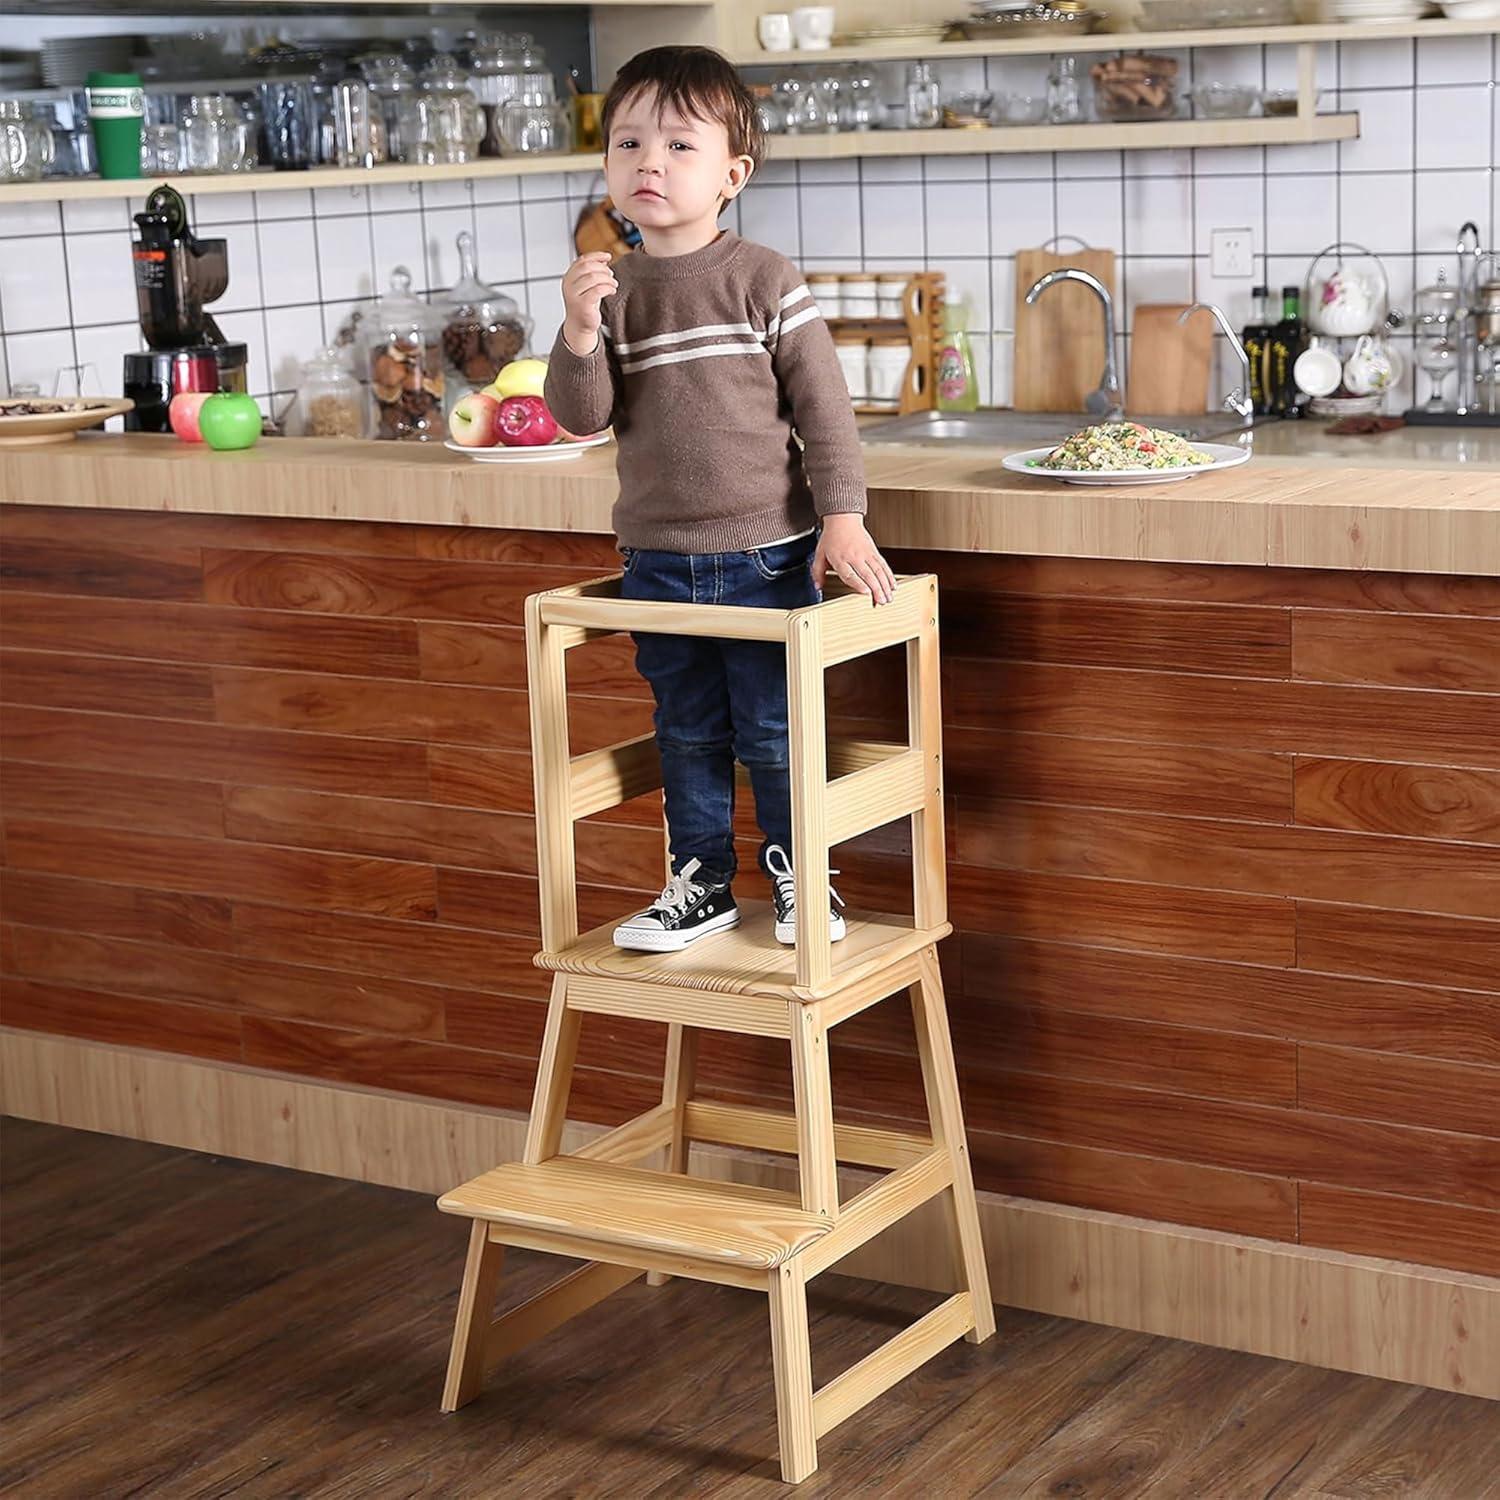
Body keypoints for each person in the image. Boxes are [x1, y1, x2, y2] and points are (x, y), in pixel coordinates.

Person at [544, 44, 896, 954]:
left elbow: (825, 411)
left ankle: (799, 877)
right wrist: (579, 331)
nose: (647, 163)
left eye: (677, 145)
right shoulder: (610, 294)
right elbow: (581, 418)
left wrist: (843, 517)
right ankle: (699, 881)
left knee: (776, 731)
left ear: (732, 174)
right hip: (655, 560)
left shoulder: (765, 279)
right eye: (627, 143)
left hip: (767, 555)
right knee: (687, 732)